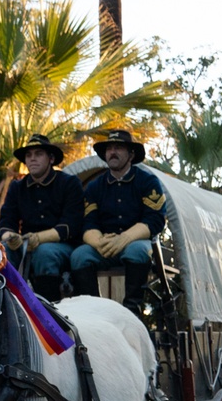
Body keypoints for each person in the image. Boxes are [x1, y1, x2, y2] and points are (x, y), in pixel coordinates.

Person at [70, 128, 167, 313]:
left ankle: (132, 310)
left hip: (136, 243)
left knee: (137, 251)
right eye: (109, 149)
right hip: (105, 246)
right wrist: (99, 243)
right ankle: (93, 311)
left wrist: (125, 238)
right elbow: (88, 222)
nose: (112, 152)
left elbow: (155, 220)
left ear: (131, 154)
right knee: (79, 256)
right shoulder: (94, 186)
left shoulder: (147, 181)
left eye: (118, 148)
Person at [0, 134, 84, 302]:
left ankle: (48, 311)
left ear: (51, 158)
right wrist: (11, 238)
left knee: (44, 253)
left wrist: (39, 238)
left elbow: (71, 225)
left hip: (63, 246)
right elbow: (6, 222)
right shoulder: (17, 187)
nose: (32, 159)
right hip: (24, 245)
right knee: (1, 252)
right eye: (28, 156)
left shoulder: (69, 183)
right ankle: (4, 308)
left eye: (38, 154)